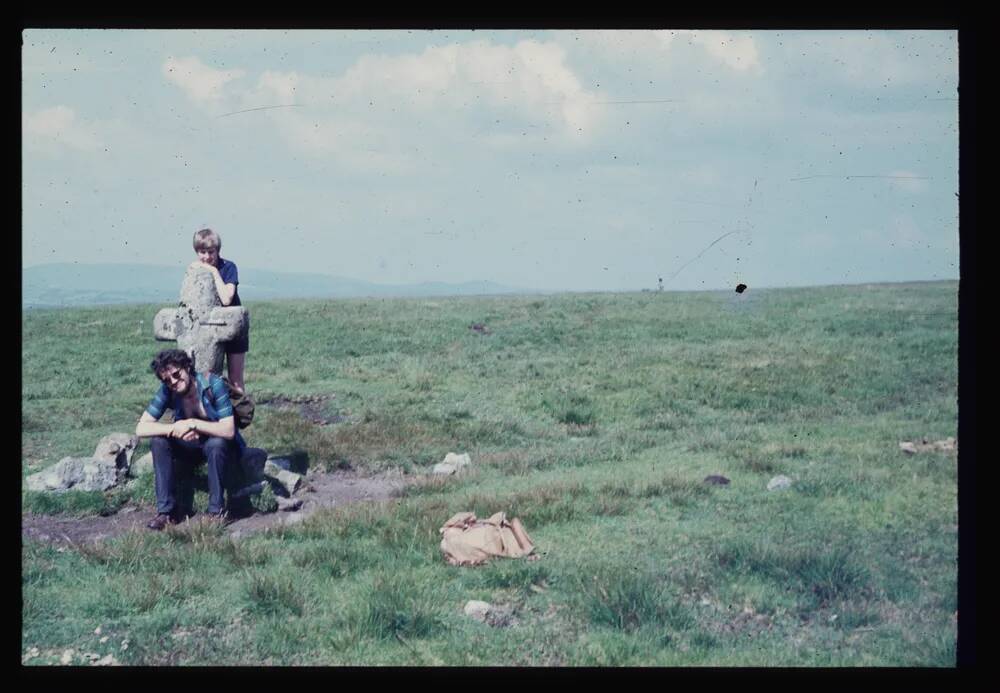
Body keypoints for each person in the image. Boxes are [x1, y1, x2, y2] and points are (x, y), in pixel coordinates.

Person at [136, 349, 246, 530]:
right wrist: (173, 428)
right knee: (158, 441)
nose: (173, 382)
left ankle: (216, 512)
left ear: (187, 367)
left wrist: (193, 423)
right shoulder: (168, 390)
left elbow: (228, 430)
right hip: (191, 446)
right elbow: (141, 427)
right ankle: (167, 512)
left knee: (216, 444)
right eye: (166, 380)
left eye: (176, 374)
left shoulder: (213, 384)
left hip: (221, 447)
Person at [190, 228, 248, 395]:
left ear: (217, 251)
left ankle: (238, 419)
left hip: (233, 327)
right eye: (202, 252)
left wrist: (214, 272)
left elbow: (227, 299)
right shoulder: (194, 271)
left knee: (235, 380)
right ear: (196, 251)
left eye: (211, 252)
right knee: (206, 377)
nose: (207, 257)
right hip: (206, 330)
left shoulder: (228, 267)